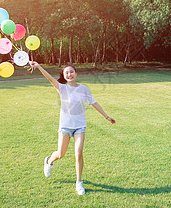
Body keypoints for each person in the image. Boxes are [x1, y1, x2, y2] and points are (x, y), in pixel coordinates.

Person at [28, 61, 116, 195]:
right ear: (64, 75)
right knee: (60, 154)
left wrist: (107, 116)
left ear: (76, 73)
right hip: (65, 126)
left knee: (79, 152)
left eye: (71, 72)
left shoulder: (84, 89)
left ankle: (79, 182)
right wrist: (39, 66)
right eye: (66, 72)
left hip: (80, 126)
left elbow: (94, 103)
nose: (69, 74)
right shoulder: (62, 88)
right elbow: (50, 78)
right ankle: (49, 161)